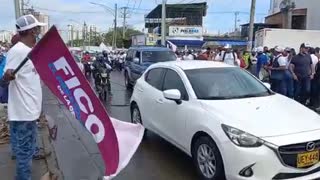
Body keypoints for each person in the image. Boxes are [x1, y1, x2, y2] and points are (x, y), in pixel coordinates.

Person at [3, 14, 45, 180]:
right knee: (24, 155)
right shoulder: (18, 51)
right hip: (23, 113)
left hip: (29, 111)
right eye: (38, 28)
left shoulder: (29, 51)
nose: (39, 31)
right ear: (32, 31)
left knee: (25, 152)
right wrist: (6, 77)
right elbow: (4, 79)